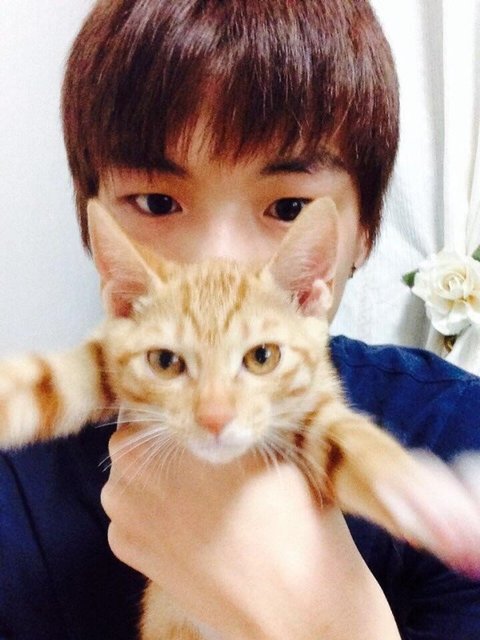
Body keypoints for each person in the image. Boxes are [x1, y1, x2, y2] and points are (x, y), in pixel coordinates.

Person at [1, 1, 480, 639]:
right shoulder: (19, 493)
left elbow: (326, 426)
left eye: (289, 207)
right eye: (157, 201)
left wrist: (325, 620)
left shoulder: (459, 426)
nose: (217, 263)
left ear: (361, 234)